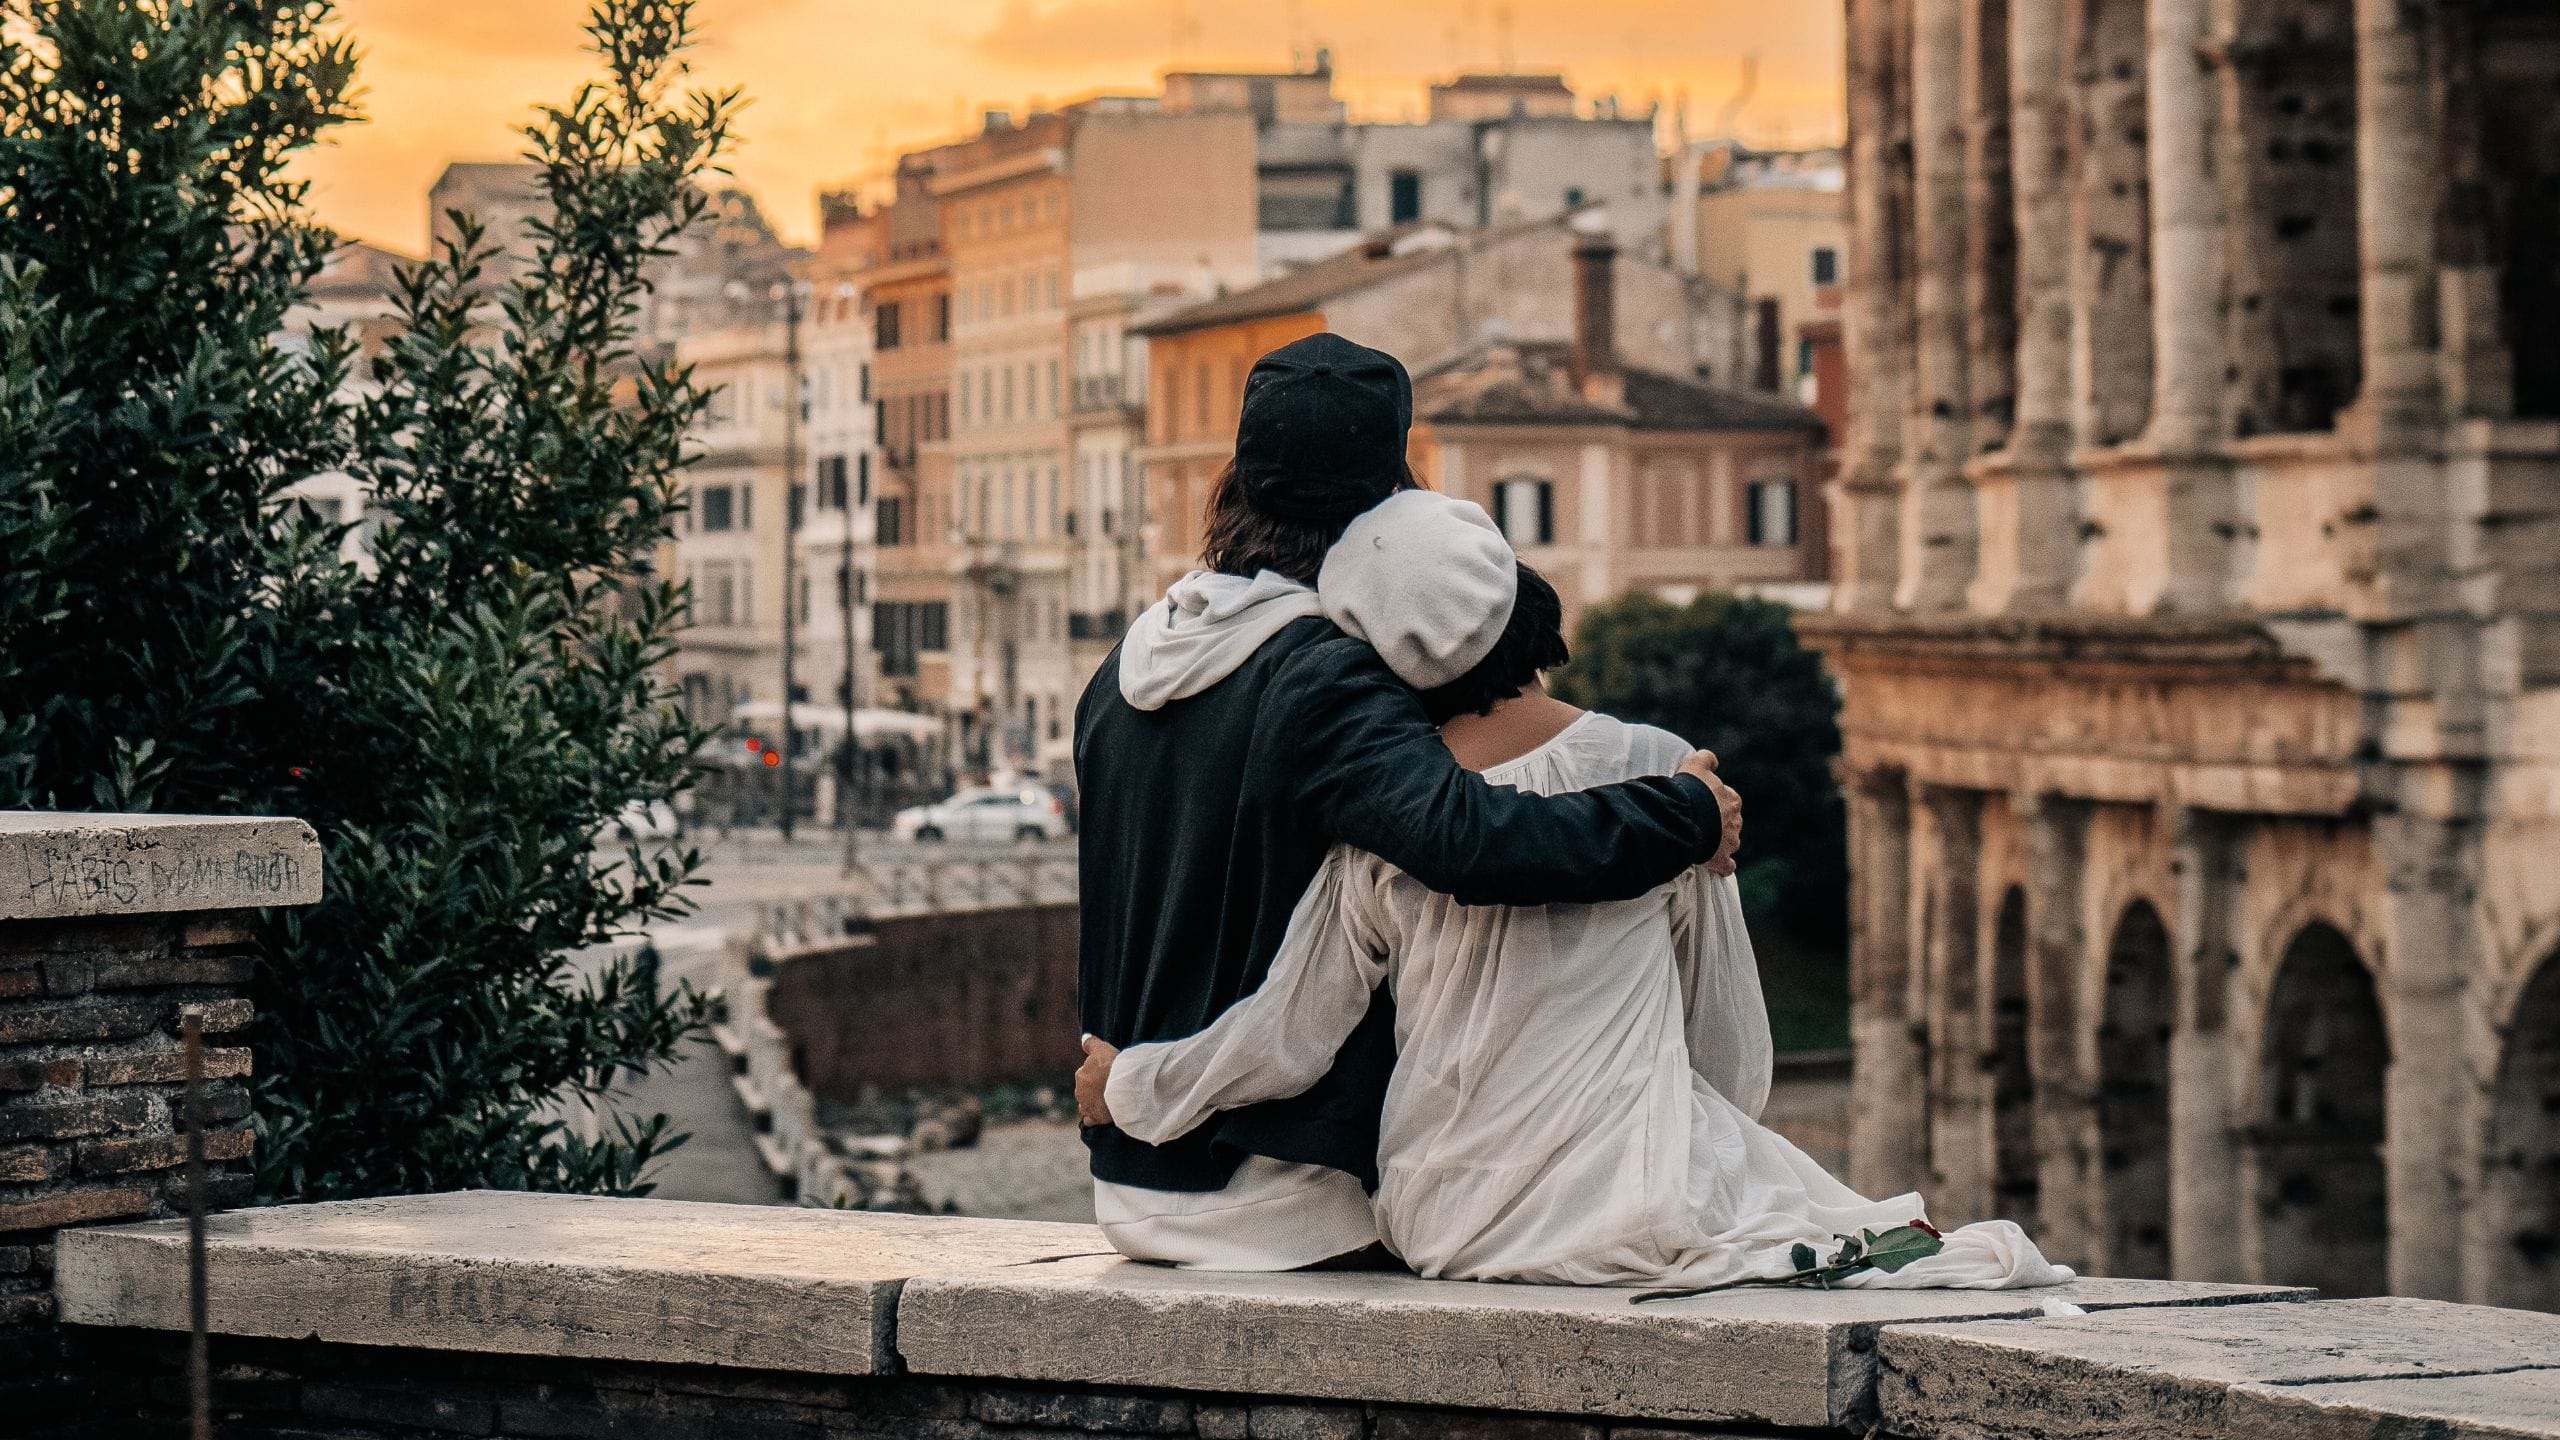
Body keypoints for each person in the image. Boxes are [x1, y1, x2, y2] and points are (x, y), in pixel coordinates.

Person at [1079, 563, 2069, 1291]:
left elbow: (1283, 1038)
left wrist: (1128, 1084)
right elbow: (1728, 1045)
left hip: (1443, 1219)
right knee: (1872, 1230)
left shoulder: (1380, 826)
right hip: (1632, 1195)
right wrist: (1703, 1136)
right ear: (1536, 633)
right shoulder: (1661, 768)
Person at [1076, 333, 1743, 1271]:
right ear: (1392, 499)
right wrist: (1687, 814)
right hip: (1278, 1195)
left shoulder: (1126, 665)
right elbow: (1471, 842)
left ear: (1233, 483)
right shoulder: (1328, 676)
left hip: (1130, 1178)